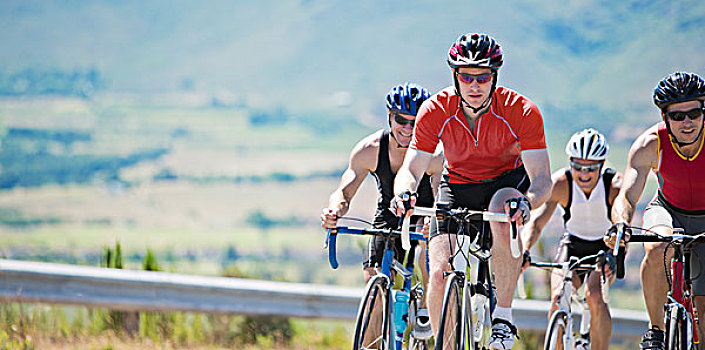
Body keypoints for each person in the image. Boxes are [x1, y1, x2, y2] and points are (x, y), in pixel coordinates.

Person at [392, 33, 552, 349]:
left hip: (506, 184)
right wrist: (405, 193)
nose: (474, 85)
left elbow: (543, 179)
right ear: (455, 76)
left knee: (503, 210)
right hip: (457, 185)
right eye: (466, 77)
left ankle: (503, 317)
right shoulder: (435, 108)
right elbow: (411, 169)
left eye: (483, 77)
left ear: (495, 77)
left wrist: (527, 202)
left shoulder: (521, 111)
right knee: (437, 273)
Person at [321, 82, 444, 338]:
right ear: (390, 116)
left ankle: (425, 310)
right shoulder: (370, 149)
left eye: (416, 122)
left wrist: (430, 225)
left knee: (425, 254)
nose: (408, 129)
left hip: (424, 216)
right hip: (388, 217)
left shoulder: (434, 154)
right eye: (401, 120)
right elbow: (344, 191)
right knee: (373, 287)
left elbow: (439, 194)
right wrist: (334, 211)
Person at [605, 71, 705, 350]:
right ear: (665, 118)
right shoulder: (650, 144)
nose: (687, 122)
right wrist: (620, 225)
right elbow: (627, 196)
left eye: (694, 113)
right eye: (677, 116)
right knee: (659, 243)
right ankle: (656, 330)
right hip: (667, 209)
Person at [522, 128, 621, 350]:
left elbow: (622, 222)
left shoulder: (614, 185)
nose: (583, 174)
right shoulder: (561, 183)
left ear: (602, 164)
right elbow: (537, 223)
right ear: (570, 162)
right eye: (578, 167)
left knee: (594, 295)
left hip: (604, 247)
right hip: (573, 244)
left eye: (591, 168)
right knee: (558, 298)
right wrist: (525, 250)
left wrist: (614, 254)